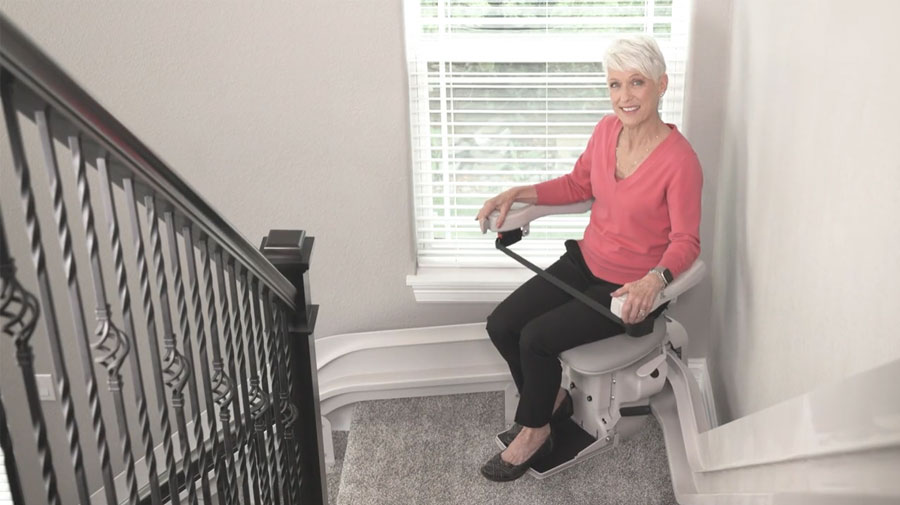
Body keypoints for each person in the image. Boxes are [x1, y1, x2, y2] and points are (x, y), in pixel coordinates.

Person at [474, 35, 703, 482]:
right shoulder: (605, 131)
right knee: (501, 324)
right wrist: (520, 191)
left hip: (625, 289)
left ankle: (536, 427)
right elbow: (579, 185)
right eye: (615, 85)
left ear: (662, 85)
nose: (624, 97)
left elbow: (687, 241)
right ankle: (554, 402)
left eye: (636, 83)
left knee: (535, 339)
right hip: (585, 262)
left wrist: (655, 280)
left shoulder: (681, 162)